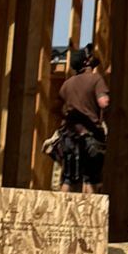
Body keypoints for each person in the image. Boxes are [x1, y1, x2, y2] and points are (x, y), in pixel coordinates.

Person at [55, 44, 110, 192]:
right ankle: (89, 215)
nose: (94, 57)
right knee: (91, 179)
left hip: (69, 137)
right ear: (86, 62)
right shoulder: (96, 79)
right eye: (91, 55)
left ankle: (61, 212)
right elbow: (103, 103)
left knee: (68, 178)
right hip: (90, 138)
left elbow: (57, 108)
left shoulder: (67, 84)